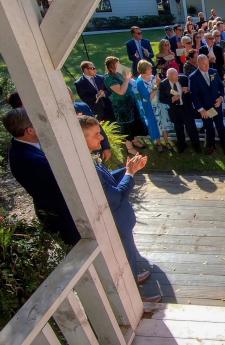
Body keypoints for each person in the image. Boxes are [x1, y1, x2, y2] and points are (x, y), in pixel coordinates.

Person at [77, 115, 161, 303]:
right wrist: (130, 174)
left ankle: (133, 276)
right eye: (96, 134)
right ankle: (137, 301)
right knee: (125, 256)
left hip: (122, 222)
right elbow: (114, 197)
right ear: (81, 139)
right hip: (116, 221)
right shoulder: (88, 166)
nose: (101, 138)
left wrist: (128, 169)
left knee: (130, 255)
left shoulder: (89, 158)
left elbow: (107, 182)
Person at [3, 108, 80, 245]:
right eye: (37, 122)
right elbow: (65, 182)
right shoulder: (30, 159)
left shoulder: (23, 146)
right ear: (29, 131)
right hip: (65, 216)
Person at [103, 56, 146, 155]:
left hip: (130, 102)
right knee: (126, 127)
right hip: (122, 107)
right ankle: (129, 147)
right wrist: (127, 79)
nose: (120, 65)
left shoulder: (118, 73)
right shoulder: (108, 78)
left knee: (134, 124)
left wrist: (128, 78)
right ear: (111, 66)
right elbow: (121, 91)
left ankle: (134, 140)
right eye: (117, 64)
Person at [189, 55, 225, 155]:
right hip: (205, 108)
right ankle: (211, 145)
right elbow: (194, 96)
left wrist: (220, 98)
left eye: (207, 63)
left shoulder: (214, 72)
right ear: (198, 64)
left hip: (216, 105)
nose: (207, 66)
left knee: (220, 125)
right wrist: (201, 109)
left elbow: (221, 87)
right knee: (208, 127)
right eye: (204, 64)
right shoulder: (193, 77)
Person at [159, 68, 201, 154]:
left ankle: (196, 145)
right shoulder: (163, 84)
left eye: (177, 76)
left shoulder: (184, 78)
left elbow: (194, 90)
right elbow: (161, 99)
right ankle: (182, 145)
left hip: (186, 107)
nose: (177, 78)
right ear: (168, 77)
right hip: (174, 110)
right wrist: (171, 99)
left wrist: (188, 89)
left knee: (191, 127)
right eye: (175, 77)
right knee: (178, 128)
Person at [135, 60, 163, 152]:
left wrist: (158, 83)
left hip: (158, 104)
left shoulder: (152, 77)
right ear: (144, 70)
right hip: (149, 106)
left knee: (161, 121)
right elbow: (149, 97)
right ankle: (158, 143)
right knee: (153, 124)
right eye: (149, 68)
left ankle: (164, 139)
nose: (151, 69)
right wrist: (157, 85)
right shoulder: (139, 82)